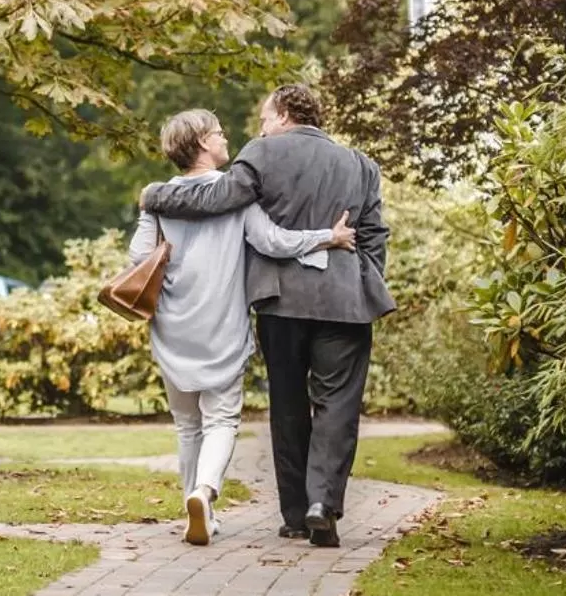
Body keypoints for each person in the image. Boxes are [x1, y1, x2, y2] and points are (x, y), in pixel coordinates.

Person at [138, 85, 392, 548]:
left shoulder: (262, 155)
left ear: (285, 114)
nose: (259, 128)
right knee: (338, 405)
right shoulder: (361, 164)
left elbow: (215, 200)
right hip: (345, 300)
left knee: (289, 404)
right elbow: (374, 233)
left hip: (282, 301)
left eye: (263, 118)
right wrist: (366, 279)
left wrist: (155, 195)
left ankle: (296, 514)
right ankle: (323, 503)